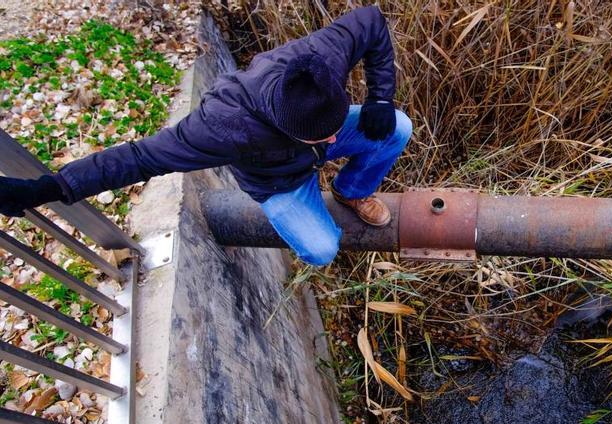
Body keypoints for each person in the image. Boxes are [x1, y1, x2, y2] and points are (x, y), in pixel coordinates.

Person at [0, 6, 411, 266]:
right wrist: (48, 188)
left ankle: (351, 190)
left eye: (336, 129)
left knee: (398, 125)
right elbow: (139, 158)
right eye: (323, 137)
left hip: (302, 148)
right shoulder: (221, 127)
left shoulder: (319, 61)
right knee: (322, 250)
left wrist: (378, 99)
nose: (335, 140)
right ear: (290, 129)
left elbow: (371, 20)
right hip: (279, 181)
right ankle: (303, 207)